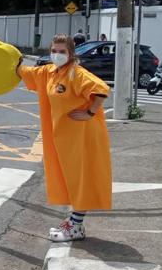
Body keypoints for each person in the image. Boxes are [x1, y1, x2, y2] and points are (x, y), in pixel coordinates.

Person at [14, 34, 112, 241]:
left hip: (82, 138)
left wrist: (90, 113)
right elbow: (24, 72)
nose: (57, 55)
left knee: (81, 179)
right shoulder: (50, 72)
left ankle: (75, 226)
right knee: (70, 179)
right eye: (54, 51)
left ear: (71, 54)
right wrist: (9, 58)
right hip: (64, 139)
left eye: (62, 52)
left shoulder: (76, 73)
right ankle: (74, 222)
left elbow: (101, 90)